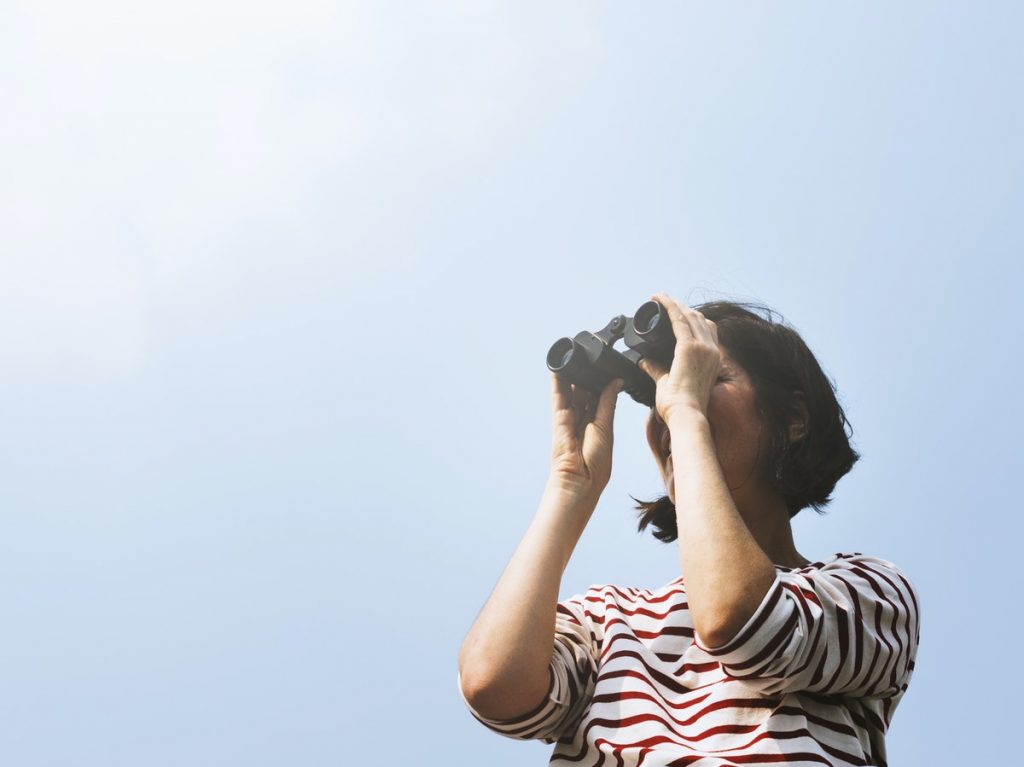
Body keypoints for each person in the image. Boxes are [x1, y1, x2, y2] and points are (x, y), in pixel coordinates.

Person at [457, 293, 920, 766]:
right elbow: (496, 688)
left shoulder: (868, 591)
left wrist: (686, 412)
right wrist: (570, 486)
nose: (668, 407)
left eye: (708, 378)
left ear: (794, 419)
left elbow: (743, 624)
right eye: (656, 398)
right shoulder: (611, 617)